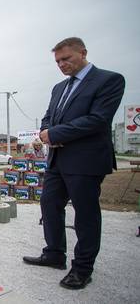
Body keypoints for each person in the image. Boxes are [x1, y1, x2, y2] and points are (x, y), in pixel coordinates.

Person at [22, 37, 125, 290]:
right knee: (49, 204)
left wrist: (55, 135)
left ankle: (82, 268)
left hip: (86, 160)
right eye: (57, 61)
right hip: (57, 159)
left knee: (86, 215)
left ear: (83, 53)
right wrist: (46, 132)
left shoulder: (109, 80)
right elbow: (49, 117)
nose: (61, 64)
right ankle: (55, 254)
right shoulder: (59, 88)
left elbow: (97, 120)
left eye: (66, 58)